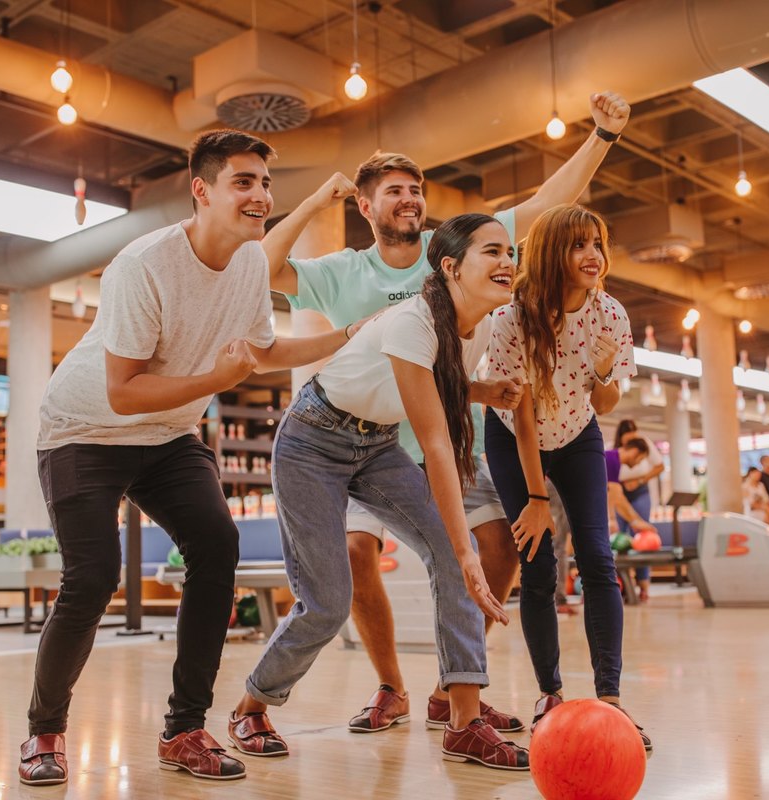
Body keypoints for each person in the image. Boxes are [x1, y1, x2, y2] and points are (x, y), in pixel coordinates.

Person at [262, 90, 631, 734]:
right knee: (353, 552)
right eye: (393, 190)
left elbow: (545, 203)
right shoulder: (342, 271)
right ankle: (389, 688)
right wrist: (312, 202)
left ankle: (453, 689)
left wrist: (601, 135)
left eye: (416, 188)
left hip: (439, 434)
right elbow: (260, 268)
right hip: (352, 433)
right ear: (365, 205)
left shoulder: (462, 252)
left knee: (500, 543)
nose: (408, 198)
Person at [18, 130, 364, 786]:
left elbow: (257, 351)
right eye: (243, 182)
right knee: (92, 579)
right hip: (84, 432)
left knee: (217, 547)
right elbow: (123, 392)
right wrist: (214, 381)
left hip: (167, 436)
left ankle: (184, 729)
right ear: (202, 191)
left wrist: (345, 337)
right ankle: (45, 731)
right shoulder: (144, 265)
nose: (260, 195)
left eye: (265, 183)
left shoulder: (252, 264)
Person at [231, 213, 529, 770]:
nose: (507, 261)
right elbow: (438, 444)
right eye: (492, 251)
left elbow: (435, 381)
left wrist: (481, 387)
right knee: (327, 601)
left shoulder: (480, 324)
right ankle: (251, 705)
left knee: (448, 553)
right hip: (311, 441)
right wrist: (466, 550)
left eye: (510, 251)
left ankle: (463, 720)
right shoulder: (410, 321)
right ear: (451, 267)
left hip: (376, 444)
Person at [483, 203, 651, 750]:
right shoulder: (513, 318)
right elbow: (524, 412)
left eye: (598, 244)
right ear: (555, 251)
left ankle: (612, 700)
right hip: (513, 435)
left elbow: (603, 400)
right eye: (579, 245)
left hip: (578, 433)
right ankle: (549, 693)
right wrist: (535, 496)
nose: (593, 256)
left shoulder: (612, 315)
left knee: (599, 559)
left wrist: (603, 369)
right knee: (536, 565)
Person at [614, 420, 664, 601]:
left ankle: (643, 585)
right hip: (619, 491)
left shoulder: (644, 444)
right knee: (620, 538)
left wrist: (640, 480)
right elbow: (614, 494)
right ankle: (624, 585)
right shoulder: (612, 454)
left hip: (640, 492)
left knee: (643, 535)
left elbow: (659, 466)